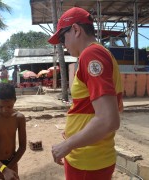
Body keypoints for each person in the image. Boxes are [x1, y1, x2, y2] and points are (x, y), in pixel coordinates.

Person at [48, 7, 123, 179]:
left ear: (75, 29)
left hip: (88, 160)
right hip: (89, 156)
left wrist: (67, 145)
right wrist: (75, 133)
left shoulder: (91, 54)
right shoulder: (102, 54)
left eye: (62, 37)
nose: (63, 45)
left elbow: (108, 120)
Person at [0, 83, 27, 180]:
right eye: (0, 106)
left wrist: (7, 169)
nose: (4, 110)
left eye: (9, 107)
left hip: (12, 162)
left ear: (15, 101)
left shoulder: (19, 118)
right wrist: (3, 169)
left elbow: (22, 147)